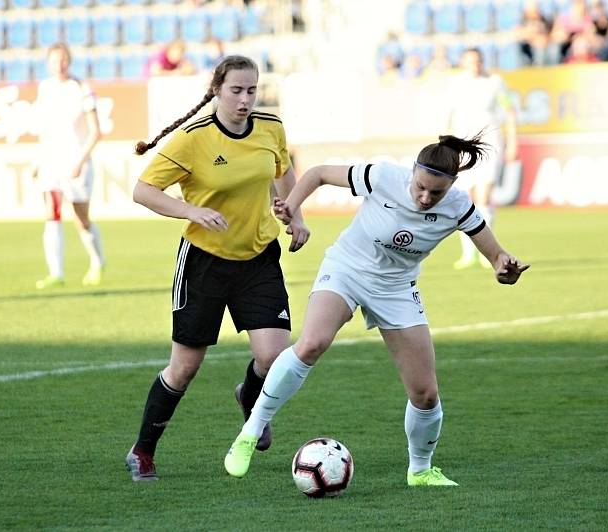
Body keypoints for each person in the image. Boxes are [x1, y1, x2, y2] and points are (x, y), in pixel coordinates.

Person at [223, 134, 529, 487]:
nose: (425, 197)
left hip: (396, 288)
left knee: (425, 393)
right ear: (412, 171)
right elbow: (319, 173)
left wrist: (505, 267)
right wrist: (290, 204)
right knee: (311, 343)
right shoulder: (383, 176)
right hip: (347, 269)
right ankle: (250, 432)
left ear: (452, 187)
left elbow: (496, 259)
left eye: (436, 193)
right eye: (421, 187)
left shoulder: (459, 206)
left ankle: (421, 470)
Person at [125, 55, 310, 482]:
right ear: (216, 90)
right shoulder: (193, 139)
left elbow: (282, 170)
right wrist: (192, 210)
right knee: (185, 367)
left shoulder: (271, 127)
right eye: (236, 91)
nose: (246, 100)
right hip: (204, 264)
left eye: (252, 90)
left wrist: (294, 215)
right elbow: (142, 190)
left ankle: (249, 395)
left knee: (274, 357)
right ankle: (143, 450)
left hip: (258, 258)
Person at [32, 42, 105, 289]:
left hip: (77, 161)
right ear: (48, 63)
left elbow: (96, 132)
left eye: (63, 59)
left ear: (69, 61)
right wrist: (38, 160)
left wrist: (80, 161)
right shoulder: (45, 88)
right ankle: (56, 272)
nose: (59, 64)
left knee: (81, 217)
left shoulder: (82, 88)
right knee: (52, 213)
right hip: (52, 162)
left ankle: (97, 261)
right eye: (54, 60)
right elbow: (45, 130)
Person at [447, 48, 517, 270]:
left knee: (484, 197)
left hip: (490, 144)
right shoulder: (456, 84)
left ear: (483, 62)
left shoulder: (495, 82)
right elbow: (448, 115)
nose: (475, 65)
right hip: (463, 145)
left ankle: (488, 252)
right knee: (466, 200)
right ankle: (468, 254)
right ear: (463, 63)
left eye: (478, 61)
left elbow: (509, 111)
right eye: (470, 61)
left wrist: (513, 141)